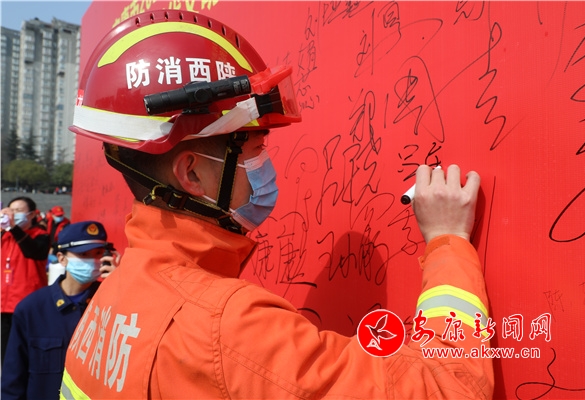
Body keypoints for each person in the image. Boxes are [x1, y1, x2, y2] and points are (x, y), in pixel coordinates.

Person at [61, 10, 493, 399]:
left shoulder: (111, 298)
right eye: (254, 149)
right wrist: (448, 241)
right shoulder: (228, 328)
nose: (264, 168)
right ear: (191, 174)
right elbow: (447, 388)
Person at [1, 221, 119, 400]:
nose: (93, 261)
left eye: (98, 253)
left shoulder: (113, 304)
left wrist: (121, 285)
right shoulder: (32, 308)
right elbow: (13, 379)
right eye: (83, 254)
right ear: (62, 258)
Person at [1, 196, 50, 367]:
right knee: (6, 354)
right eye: (11, 211)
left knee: (27, 352)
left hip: (29, 302)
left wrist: (13, 227)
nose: (13, 214)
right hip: (4, 304)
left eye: (18, 211)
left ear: (31, 215)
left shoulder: (40, 235)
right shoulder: (5, 236)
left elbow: (34, 252)